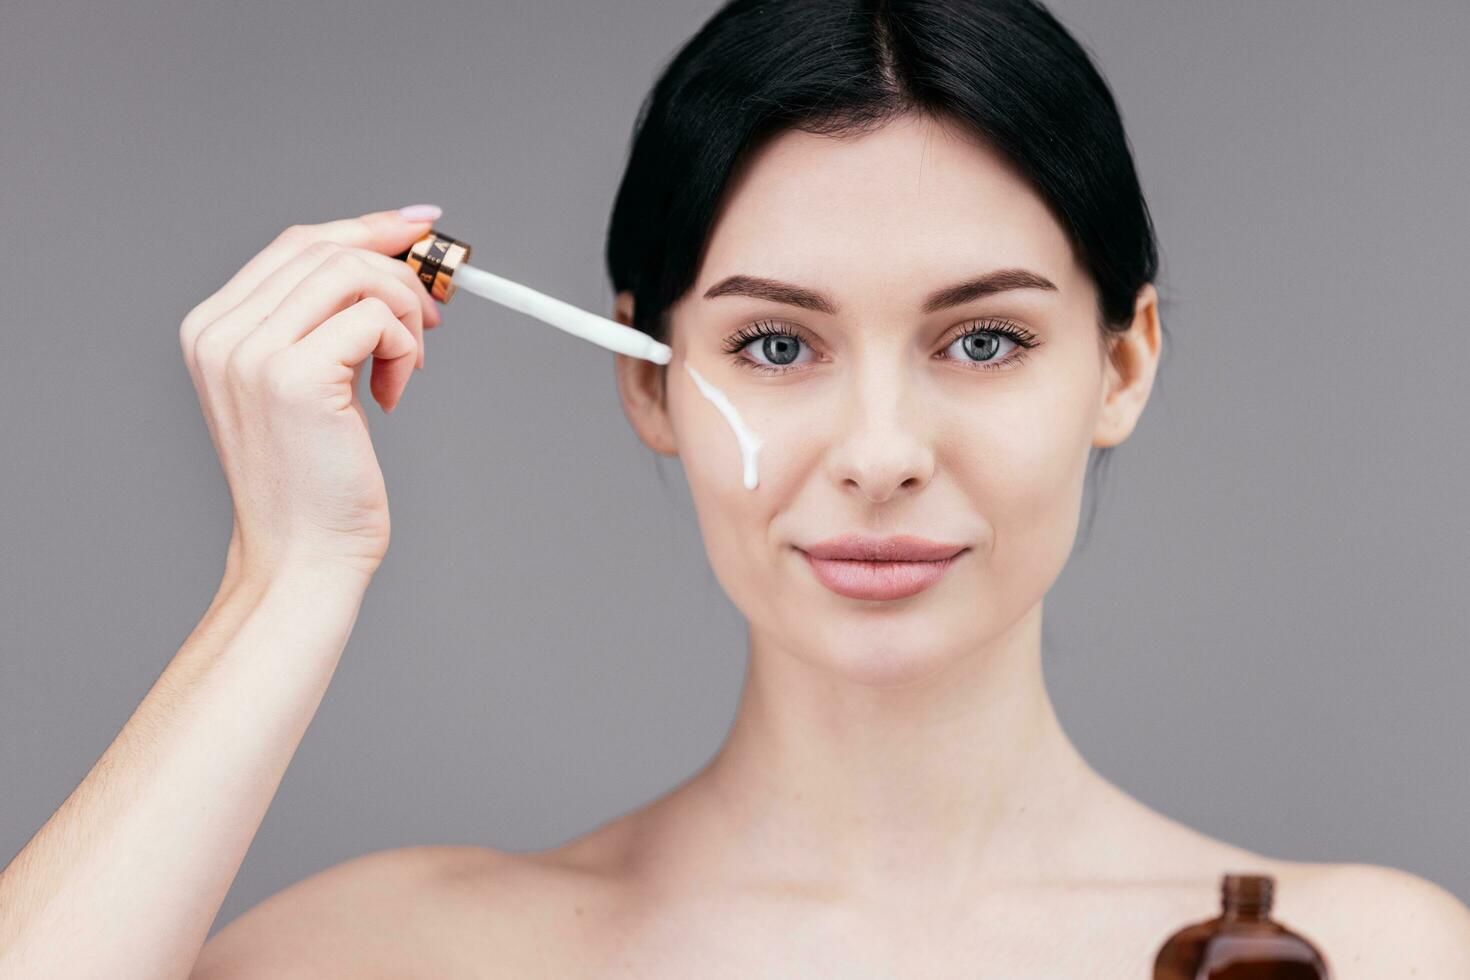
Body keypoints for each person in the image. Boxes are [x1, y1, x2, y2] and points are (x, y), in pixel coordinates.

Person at [3, 1, 1468, 977]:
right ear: (645, 378)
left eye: (982, 339)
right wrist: (286, 579)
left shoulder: (1369, 956)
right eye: (775, 344)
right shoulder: (385, 956)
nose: (880, 449)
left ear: (1122, 364)